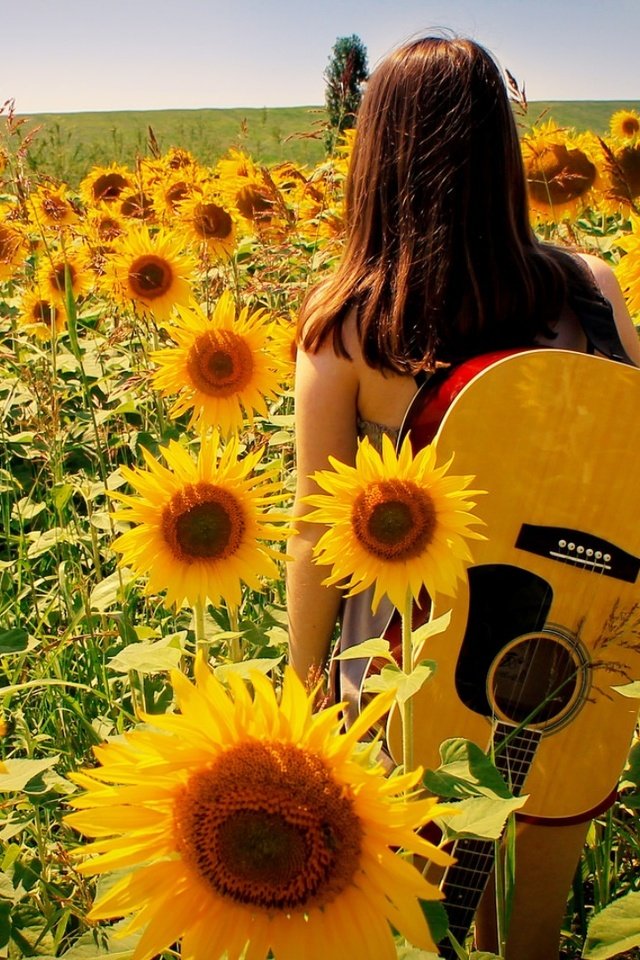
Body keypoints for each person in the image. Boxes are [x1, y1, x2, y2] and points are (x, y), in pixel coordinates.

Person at [286, 35, 640, 960]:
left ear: (376, 156)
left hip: (410, 673)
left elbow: (316, 530)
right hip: (574, 663)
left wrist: (301, 685)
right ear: (501, 148)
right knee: (528, 930)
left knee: (422, 929)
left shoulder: (348, 324)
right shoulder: (591, 292)